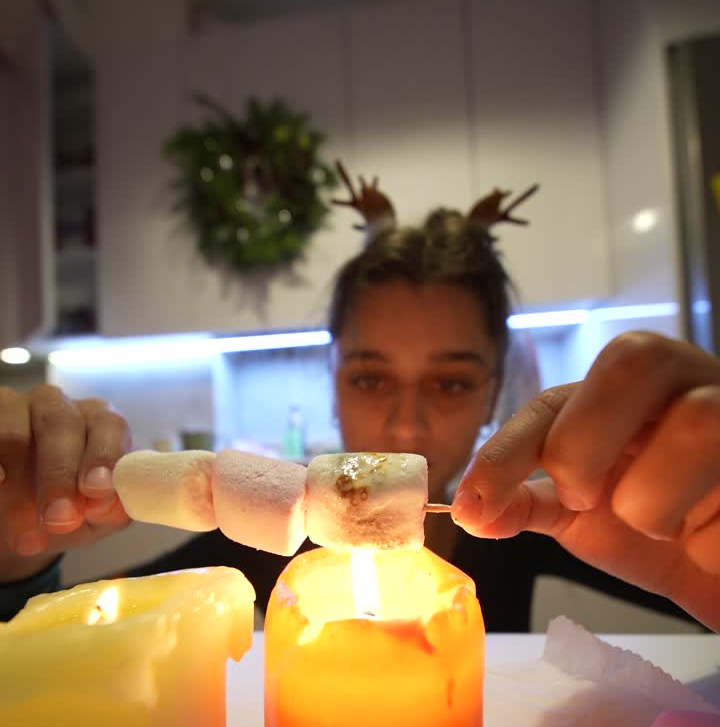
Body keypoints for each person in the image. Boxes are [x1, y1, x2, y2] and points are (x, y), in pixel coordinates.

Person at [1, 170, 719, 632]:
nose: (406, 426)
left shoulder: (547, 528)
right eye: (371, 379)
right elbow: (52, 636)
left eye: (451, 383)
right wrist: (18, 560)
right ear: (333, 376)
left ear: (496, 388)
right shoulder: (253, 532)